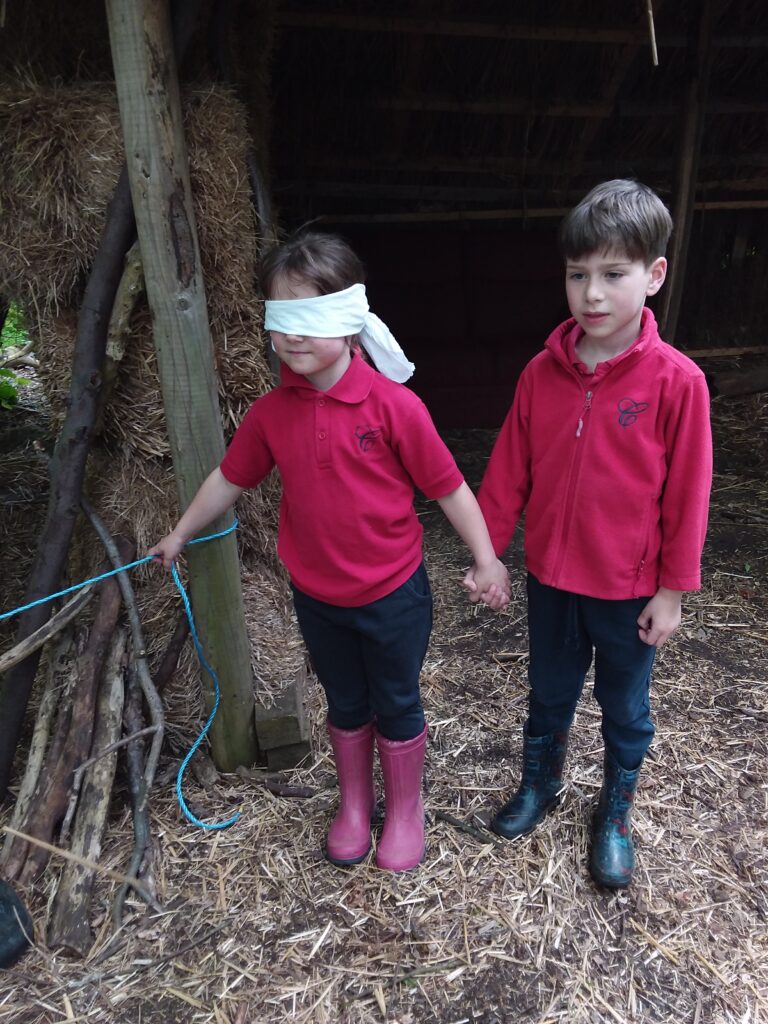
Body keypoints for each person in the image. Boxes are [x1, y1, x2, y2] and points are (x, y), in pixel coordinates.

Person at [150, 230, 510, 873]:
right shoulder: (270, 414)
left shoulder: (395, 406)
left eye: (307, 320)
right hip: (317, 594)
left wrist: (485, 557)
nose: (289, 337)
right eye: (279, 320)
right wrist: (180, 532)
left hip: (393, 591)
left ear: (348, 322)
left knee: (395, 699)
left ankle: (403, 809)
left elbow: (449, 486)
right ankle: (352, 803)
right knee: (343, 700)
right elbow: (230, 479)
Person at [464, 180, 712, 888]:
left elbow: (689, 495)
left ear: (653, 276)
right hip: (551, 578)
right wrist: (490, 553)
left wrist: (673, 591)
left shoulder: (678, 383)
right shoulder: (541, 374)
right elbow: (510, 467)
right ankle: (540, 786)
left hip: (628, 589)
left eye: (613, 274)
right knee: (549, 690)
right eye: (578, 275)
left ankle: (614, 812)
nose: (592, 294)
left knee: (625, 706)